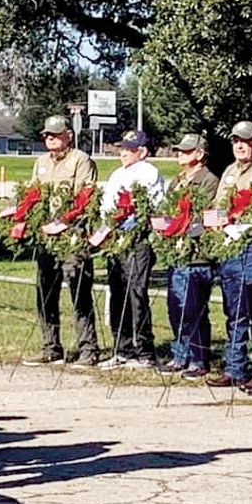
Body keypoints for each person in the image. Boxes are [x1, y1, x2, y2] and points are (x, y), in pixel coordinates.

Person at [205, 121, 252, 390]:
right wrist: (215, 221)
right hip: (230, 248)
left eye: (245, 141)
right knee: (234, 311)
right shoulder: (229, 171)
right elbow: (218, 206)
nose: (240, 146)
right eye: (236, 140)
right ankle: (234, 368)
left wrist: (234, 220)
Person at [21, 115, 100, 368]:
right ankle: (51, 347)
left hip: (71, 236)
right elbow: (33, 194)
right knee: (45, 291)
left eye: (54, 134)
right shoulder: (41, 162)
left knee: (79, 291)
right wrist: (24, 218)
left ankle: (88, 348)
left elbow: (84, 197)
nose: (49, 138)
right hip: (46, 236)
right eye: (46, 135)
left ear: (68, 135)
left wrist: (64, 222)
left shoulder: (81, 160)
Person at [98, 130, 166, 370]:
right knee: (117, 291)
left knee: (136, 293)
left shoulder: (149, 172)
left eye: (130, 149)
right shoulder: (117, 174)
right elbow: (106, 205)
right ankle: (122, 347)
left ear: (143, 152)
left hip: (138, 239)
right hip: (117, 238)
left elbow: (151, 207)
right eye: (122, 149)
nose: (123, 153)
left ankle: (144, 350)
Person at [157, 133, 219, 379]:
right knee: (175, 307)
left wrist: (182, 230)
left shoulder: (208, 180)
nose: (180, 154)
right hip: (176, 253)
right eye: (179, 150)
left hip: (197, 255)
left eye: (185, 151)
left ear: (200, 154)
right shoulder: (178, 181)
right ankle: (179, 354)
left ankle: (198, 358)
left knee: (194, 308)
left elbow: (204, 215)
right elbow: (168, 209)